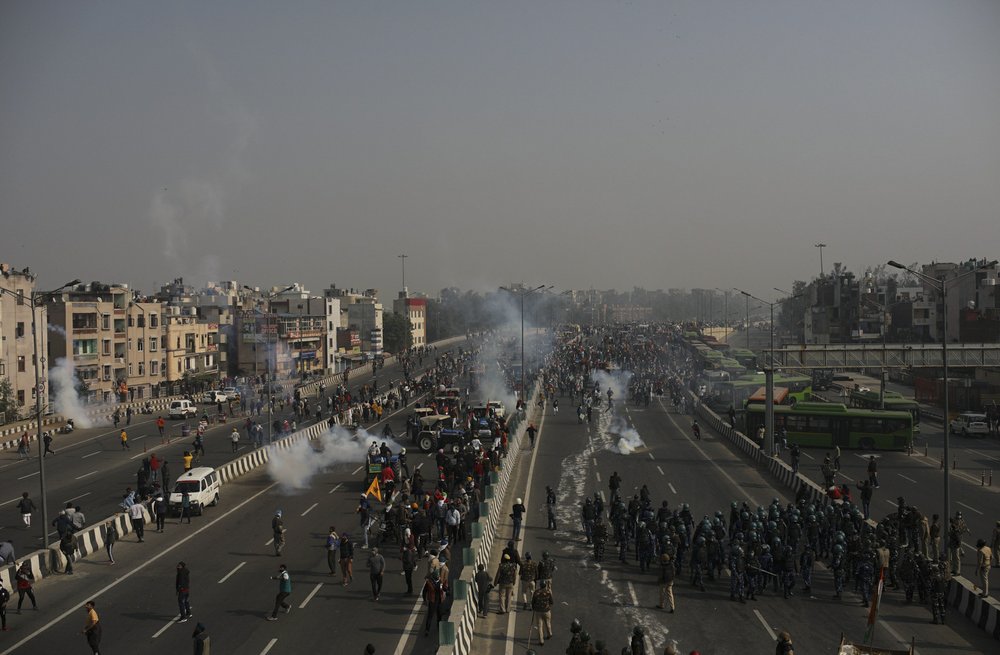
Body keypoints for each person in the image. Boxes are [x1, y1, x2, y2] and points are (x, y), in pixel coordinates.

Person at [422, 569, 445, 636]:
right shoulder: (429, 583)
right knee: (430, 616)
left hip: (439, 600)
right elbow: (424, 591)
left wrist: (445, 588)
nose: (438, 577)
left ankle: (439, 627)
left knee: (439, 615)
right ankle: (427, 630)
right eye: (437, 576)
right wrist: (425, 600)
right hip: (432, 601)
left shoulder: (440, 581)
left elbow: (444, 588)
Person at [530, 579, 554, 645]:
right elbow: (551, 602)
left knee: (540, 626)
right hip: (546, 610)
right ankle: (549, 633)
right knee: (548, 623)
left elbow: (533, 602)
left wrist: (533, 608)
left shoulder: (536, 592)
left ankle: (541, 640)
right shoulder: (548, 592)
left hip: (538, 611)